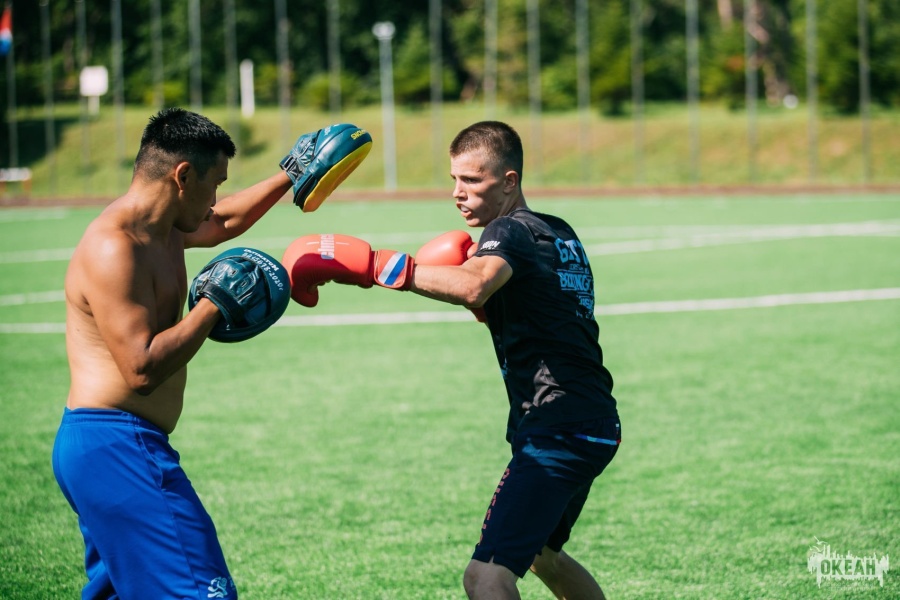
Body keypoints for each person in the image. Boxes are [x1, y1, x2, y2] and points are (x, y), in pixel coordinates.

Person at [283, 120, 621, 599]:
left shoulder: (508, 230)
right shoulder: (558, 233)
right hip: (594, 420)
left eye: (472, 180)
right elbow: (541, 311)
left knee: (485, 576)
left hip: (556, 426)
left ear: (509, 181)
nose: (458, 193)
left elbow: (474, 285)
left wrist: (375, 265)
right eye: (454, 179)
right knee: (543, 554)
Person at [52, 108, 369, 600]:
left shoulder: (165, 226)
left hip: (112, 444)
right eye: (214, 183)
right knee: (203, 591)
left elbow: (222, 222)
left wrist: (289, 174)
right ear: (182, 176)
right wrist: (215, 303)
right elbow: (141, 369)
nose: (216, 198)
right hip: (116, 446)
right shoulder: (115, 247)